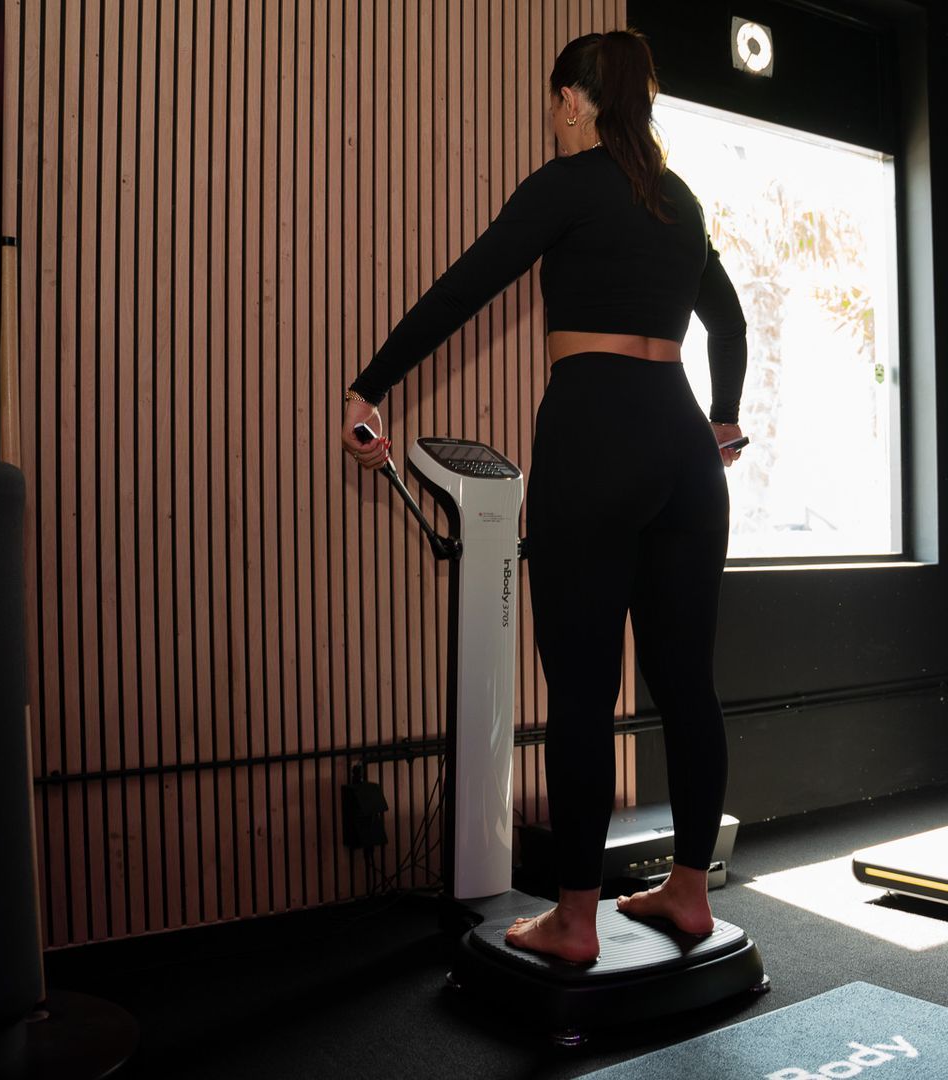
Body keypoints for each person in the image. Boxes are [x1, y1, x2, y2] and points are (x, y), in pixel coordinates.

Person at [341, 29, 749, 966]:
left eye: (551, 100)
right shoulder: (676, 200)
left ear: (574, 99)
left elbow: (465, 287)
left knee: (580, 689)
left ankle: (575, 919)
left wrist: (372, 385)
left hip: (596, 438)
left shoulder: (567, 184)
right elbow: (725, 319)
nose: (550, 114)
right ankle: (688, 893)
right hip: (683, 447)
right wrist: (722, 422)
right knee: (687, 682)